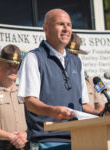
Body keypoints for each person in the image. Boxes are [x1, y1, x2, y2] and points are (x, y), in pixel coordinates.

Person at [18, 9, 100, 150]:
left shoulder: (76, 61)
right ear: (45, 28)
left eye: (69, 24)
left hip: (80, 138)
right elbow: (30, 102)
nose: (66, 29)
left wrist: (101, 114)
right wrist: (53, 111)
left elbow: (83, 105)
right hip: (47, 140)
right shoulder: (34, 58)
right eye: (60, 24)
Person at [0, 44, 29, 150]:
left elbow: (34, 119)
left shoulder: (25, 92)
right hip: (0, 146)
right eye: (9, 65)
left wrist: (25, 134)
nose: (13, 69)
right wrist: (10, 136)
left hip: (25, 144)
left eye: (16, 66)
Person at [67, 33, 106, 113]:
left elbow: (101, 105)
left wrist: (98, 114)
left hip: (89, 123)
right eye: (69, 54)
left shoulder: (91, 81)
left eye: (75, 54)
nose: (72, 58)